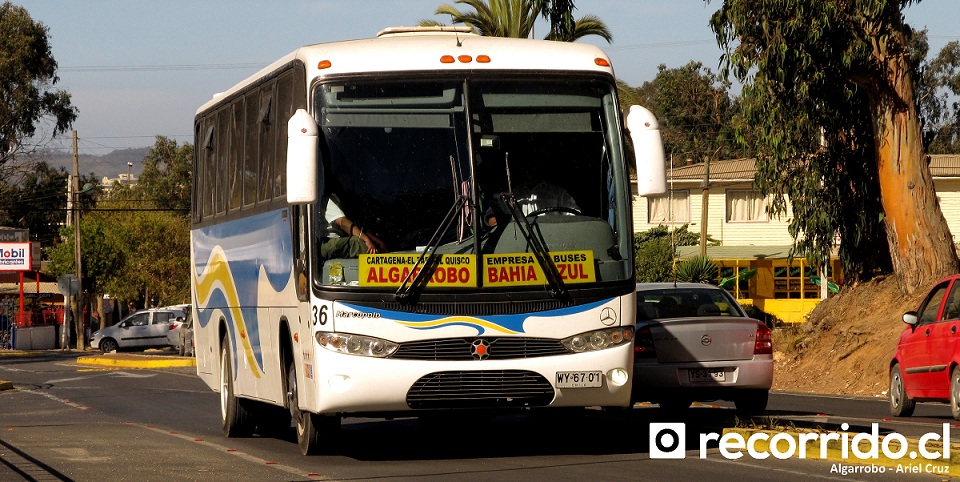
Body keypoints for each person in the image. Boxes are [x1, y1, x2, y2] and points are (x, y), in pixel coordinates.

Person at [484, 162, 579, 227]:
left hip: (555, 240)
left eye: (532, 169)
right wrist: (499, 223)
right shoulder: (511, 195)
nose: (528, 173)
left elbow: (574, 216)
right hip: (521, 244)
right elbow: (491, 218)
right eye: (525, 170)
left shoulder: (557, 192)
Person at [319, 193, 387, 259]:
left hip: (340, 240)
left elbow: (359, 229)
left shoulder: (347, 202)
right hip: (326, 243)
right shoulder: (329, 199)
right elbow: (343, 223)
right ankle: (376, 268)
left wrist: (378, 241)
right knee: (357, 243)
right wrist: (367, 240)